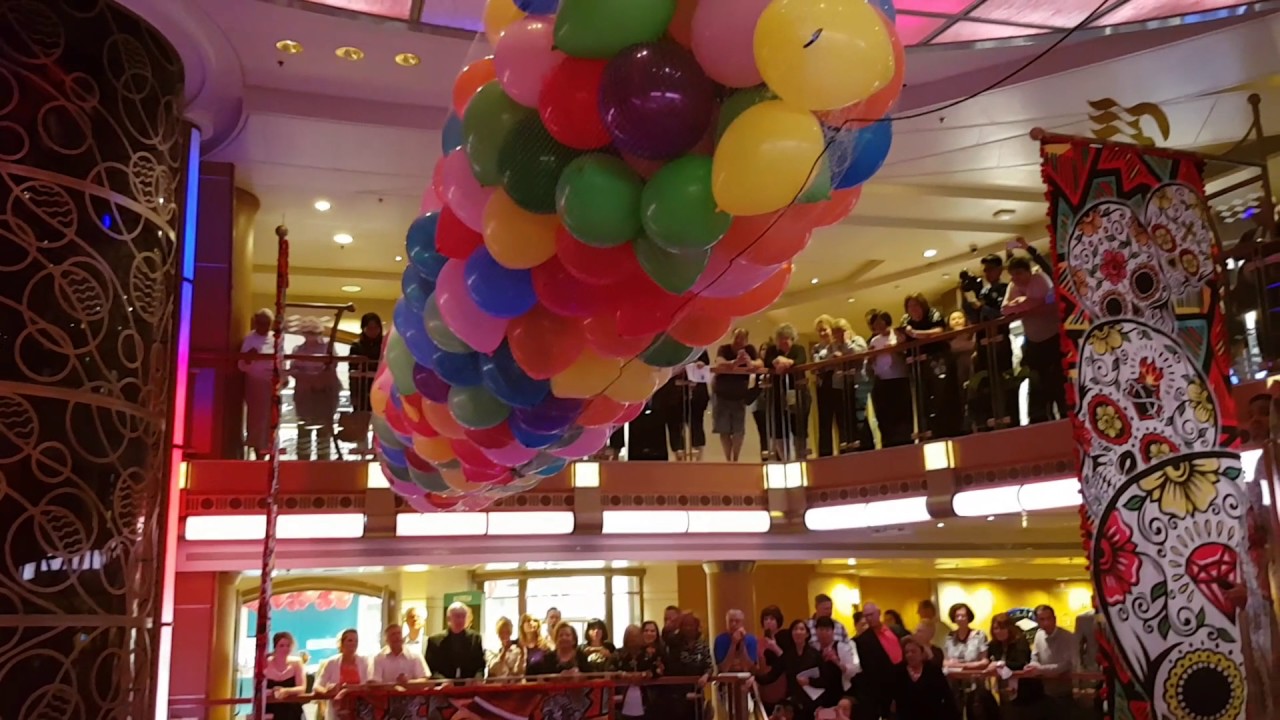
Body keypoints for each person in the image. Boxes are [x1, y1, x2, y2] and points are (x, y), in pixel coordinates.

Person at [1003, 256, 1065, 423]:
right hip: (1033, 339)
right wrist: (1027, 304)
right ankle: (1042, 419)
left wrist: (1026, 303)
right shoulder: (1013, 286)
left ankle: (1066, 416)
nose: (1015, 278)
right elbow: (1005, 309)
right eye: (1012, 274)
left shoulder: (1040, 279)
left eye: (1019, 273)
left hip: (1053, 337)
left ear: (1028, 271)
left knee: (1058, 381)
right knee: (1038, 383)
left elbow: (1050, 302)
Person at [902, 293, 961, 438]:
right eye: (910, 306)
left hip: (939, 359)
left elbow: (938, 331)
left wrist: (916, 334)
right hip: (919, 364)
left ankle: (948, 428)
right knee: (924, 397)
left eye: (916, 305)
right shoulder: (907, 321)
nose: (913, 309)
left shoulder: (933, 314)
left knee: (943, 393)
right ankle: (928, 430)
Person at [812, 315, 866, 457]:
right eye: (819, 331)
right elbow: (818, 365)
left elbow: (858, 354)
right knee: (825, 421)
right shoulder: (820, 348)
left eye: (825, 330)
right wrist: (832, 359)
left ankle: (853, 448)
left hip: (849, 383)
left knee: (851, 417)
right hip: (829, 384)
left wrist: (843, 350)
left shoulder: (855, 340)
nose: (823, 333)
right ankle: (827, 453)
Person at [289, 317, 341, 460]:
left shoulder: (328, 348)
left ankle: (323, 461)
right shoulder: (298, 350)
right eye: (307, 332)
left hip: (325, 393)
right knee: (304, 427)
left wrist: (318, 379)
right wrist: (308, 379)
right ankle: (302, 461)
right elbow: (293, 370)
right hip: (305, 395)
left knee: (324, 429)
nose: (310, 336)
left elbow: (332, 367)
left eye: (314, 332)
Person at [714, 328, 763, 461]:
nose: (739, 341)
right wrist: (734, 363)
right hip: (722, 394)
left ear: (746, 341)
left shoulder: (750, 350)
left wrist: (749, 362)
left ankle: (735, 458)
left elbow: (759, 363)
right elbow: (719, 362)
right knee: (723, 429)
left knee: (739, 429)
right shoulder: (723, 349)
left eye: (742, 338)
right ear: (732, 337)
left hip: (740, 395)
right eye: (737, 337)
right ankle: (727, 458)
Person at [866, 310, 912, 447]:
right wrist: (871, 357)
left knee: (901, 411)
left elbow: (905, 352)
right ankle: (888, 441)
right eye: (875, 323)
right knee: (884, 413)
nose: (879, 325)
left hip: (898, 377)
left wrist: (895, 348)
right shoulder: (874, 340)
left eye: (881, 321)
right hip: (882, 379)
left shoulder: (897, 335)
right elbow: (869, 361)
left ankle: (904, 439)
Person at [765, 323, 811, 461]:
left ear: (792, 338)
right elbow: (768, 362)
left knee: (798, 424)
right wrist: (779, 361)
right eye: (781, 338)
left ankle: (800, 457)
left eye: (787, 338)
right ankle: (786, 458)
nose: (784, 341)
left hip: (797, 392)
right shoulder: (772, 350)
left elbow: (800, 360)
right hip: (778, 392)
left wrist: (785, 361)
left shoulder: (798, 348)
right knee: (779, 425)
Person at [656, 350, 711, 460]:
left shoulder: (699, 347)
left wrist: (700, 365)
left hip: (695, 392)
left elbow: (705, 363)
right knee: (674, 423)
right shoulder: (669, 348)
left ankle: (699, 455)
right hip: (672, 392)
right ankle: (678, 453)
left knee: (696, 422)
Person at [889, 636, 960, 720]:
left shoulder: (933, 671)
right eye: (906, 652)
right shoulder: (898, 672)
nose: (909, 655)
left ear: (922, 653)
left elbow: (947, 697)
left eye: (913, 651)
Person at [851, 603, 902, 719]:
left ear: (878, 613)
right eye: (866, 616)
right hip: (879, 690)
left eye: (871, 615)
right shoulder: (862, 640)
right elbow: (869, 670)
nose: (869, 618)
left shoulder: (893, 631)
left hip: (900, 681)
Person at [1028, 604, 1077, 719]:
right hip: (1044, 692)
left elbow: (1066, 664)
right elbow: (1034, 657)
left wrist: (1040, 670)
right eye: (1042, 619)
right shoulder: (1039, 635)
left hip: (1064, 692)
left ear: (1055, 619)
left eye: (1049, 618)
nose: (1046, 623)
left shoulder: (1068, 636)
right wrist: (1032, 666)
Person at [986, 612, 1041, 714]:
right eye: (995, 628)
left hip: (1025, 690)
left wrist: (999, 664)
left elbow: (1021, 663)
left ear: (1009, 628)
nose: (998, 631)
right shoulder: (994, 644)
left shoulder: (1020, 641)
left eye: (1002, 628)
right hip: (1004, 689)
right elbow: (986, 660)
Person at [239, 309, 276, 459]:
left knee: (270, 420)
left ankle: (268, 451)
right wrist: (249, 358)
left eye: (266, 324)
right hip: (255, 384)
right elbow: (241, 365)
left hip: (271, 384)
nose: (263, 327)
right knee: (256, 420)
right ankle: (256, 453)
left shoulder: (276, 339)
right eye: (261, 323)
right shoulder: (249, 339)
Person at [345, 312, 382, 454]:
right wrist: (353, 393)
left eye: (376, 328)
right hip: (361, 389)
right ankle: (362, 446)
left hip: (379, 388)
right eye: (369, 328)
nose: (373, 331)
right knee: (361, 418)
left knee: (378, 419)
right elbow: (352, 371)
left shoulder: (383, 346)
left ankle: (376, 448)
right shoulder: (356, 346)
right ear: (363, 328)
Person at [315, 629, 369, 720]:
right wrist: (326, 691)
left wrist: (349, 689)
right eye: (350, 640)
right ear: (342, 643)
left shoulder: (364, 662)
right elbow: (317, 686)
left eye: (356, 640)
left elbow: (368, 685)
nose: (354, 643)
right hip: (337, 711)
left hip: (359, 710)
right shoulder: (331, 663)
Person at [808, 616, 860, 709]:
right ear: (816, 632)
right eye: (821, 630)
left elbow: (852, 672)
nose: (824, 633)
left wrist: (836, 660)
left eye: (827, 630)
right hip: (819, 695)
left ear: (833, 632)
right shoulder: (813, 649)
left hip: (840, 693)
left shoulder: (842, 647)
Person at [426, 602, 485, 680]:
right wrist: (443, 681)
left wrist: (477, 679)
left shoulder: (475, 638)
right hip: (444, 688)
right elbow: (431, 668)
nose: (460, 620)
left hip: (469, 686)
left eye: (463, 616)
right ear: (448, 618)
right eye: (457, 616)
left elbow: (480, 665)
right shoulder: (435, 640)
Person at [617, 624, 661, 720]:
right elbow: (610, 670)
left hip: (647, 700)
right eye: (630, 637)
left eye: (636, 637)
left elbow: (658, 669)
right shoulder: (618, 654)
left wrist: (644, 675)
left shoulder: (650, 654)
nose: (633, 640)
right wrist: (624, 675)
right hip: (622, 700)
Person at [780, 619, 822, 720]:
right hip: (792, 702)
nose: (798, 632)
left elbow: (824, 679)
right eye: (795, 629)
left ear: (807, 634)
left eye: (801, 629)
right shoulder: (787, 655)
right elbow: (774, 674)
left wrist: (809, 681)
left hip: (811, 701)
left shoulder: (815, 654)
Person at [264, 632, 306, 720]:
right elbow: (259, 689)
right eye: (281, 645)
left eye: (288, 645)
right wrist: (273, 692)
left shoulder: (297, 663)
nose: (285, 648)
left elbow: (302, 688)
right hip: (270, 709)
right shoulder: (266, 663)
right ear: (275, 646)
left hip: (292, 710)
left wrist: (286, 691)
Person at [755, 606, 790, 713]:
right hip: (764, 687)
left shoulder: (785, 639)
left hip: (782, 685)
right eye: (766, 619)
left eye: (772, 619)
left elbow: (788, 661)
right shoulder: (758, 642)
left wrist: (775, 648)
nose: (768, 622)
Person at [942, 603, 989, 670]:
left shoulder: (979, 635)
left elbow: (985, 661)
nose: (960, 619)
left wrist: (964, 665)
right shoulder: (950, 636)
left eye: (963, 616)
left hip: (973, 676)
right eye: (957, 616)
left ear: (968, 617)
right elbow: (945, 661)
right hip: (953, 677)